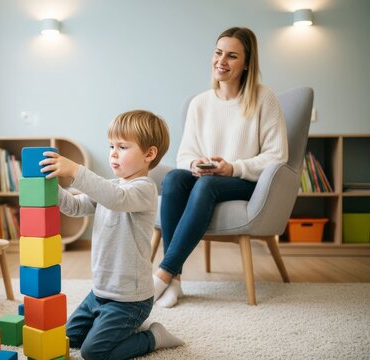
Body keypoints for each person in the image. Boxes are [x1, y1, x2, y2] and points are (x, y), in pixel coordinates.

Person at [153, 27, 288, 308]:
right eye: (218, 53)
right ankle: (175, 279)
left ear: (247, 63)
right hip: (209, 178)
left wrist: (233, 168)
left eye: (232, 56)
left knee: (207, 184)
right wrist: (196, 165)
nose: (221, 61)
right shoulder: (199, 103)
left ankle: (163, 273)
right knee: (175, 179)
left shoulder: (265, 99)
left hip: (247, 181)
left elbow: (277, 156)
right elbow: (185, 155)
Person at [39, 110, 183, 359]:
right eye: (111, 146)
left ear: (149, 154)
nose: (113, 153)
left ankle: (153, 336)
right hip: (99, 293)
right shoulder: (112, 187)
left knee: (93, 353)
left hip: (130, 300)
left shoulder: (144, 189)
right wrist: (48, 185)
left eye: (123, 147)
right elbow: (75, 206)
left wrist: (76, 170)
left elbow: (116, 199)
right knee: (68, 337)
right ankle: (116, 327)